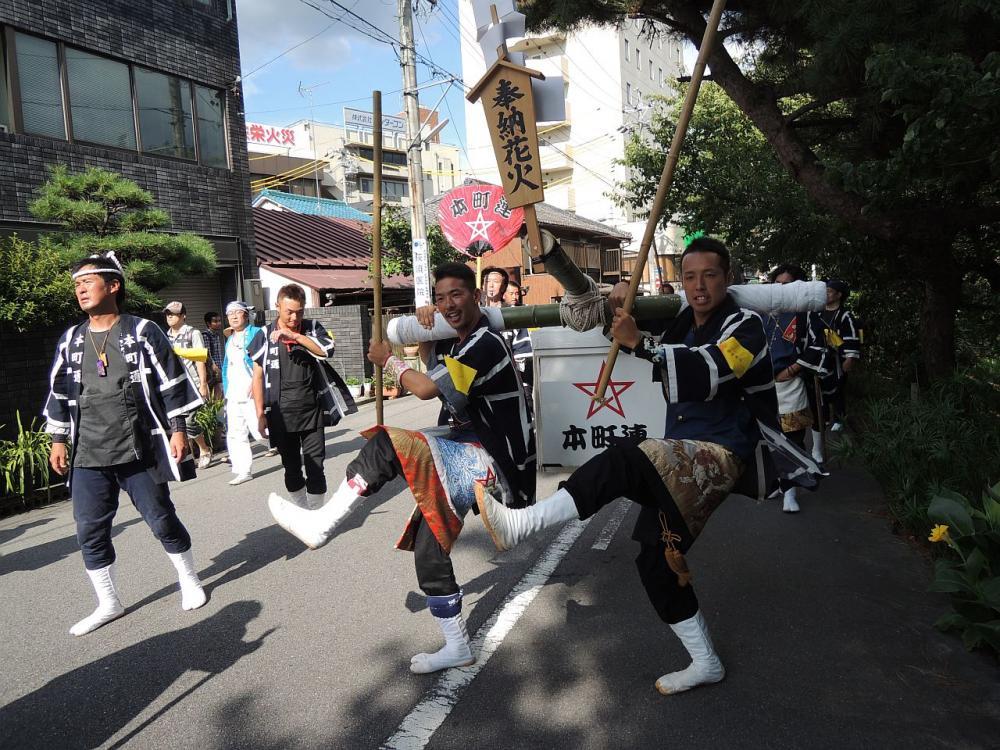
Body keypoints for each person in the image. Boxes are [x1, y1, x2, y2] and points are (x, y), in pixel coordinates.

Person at [474, 237, 822, 695]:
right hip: (682, 455)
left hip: (722, 456)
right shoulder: (679, 318)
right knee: (655, 561)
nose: (699, 286)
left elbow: (710, 369)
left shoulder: (747, 327)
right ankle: (706, 662)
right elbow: (614, 318)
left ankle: (526, 524)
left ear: (729, 278)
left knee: (626, 460)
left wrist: (644, 346)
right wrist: (620, 291)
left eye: (710, 275)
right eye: (690, 276)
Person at [267, 263, 535, 674]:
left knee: (389, 444)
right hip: (471, 452)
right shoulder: (464, 341)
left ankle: (323, 524)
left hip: (494, 462)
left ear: (478, 297)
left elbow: (428, 390)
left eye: (458, 295)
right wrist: (428, 339)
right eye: (441, 299)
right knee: (429, 542)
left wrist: (389, 361)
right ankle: (456, 645)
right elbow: (440, 376)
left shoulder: (484, 343)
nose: (448, 305)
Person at [43, 253, 207, 636]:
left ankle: (189, 578)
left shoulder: (142, 330)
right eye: (77, 284)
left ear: (113, 286)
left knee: (161, 517)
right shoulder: (71, 339)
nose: (80, 289)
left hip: (138, 446)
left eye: (88, 281)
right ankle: (108, 602)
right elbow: (59, 390)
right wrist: (57, 438)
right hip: (88, 451)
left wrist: (178, 427)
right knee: (89, 530)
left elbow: (170, 379)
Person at [251, 284, 355, 509]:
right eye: (289, 311)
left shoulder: (311, 328)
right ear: (277, 306)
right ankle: (302, 508)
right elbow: (257, 377)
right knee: (290, 465)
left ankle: (316, 512)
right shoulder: (263, 335)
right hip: (280, 411)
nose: (294, 317)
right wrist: (259, 413)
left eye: (299, 311)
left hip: (312, 409)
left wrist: (295, 336)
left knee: (316, 463)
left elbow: (325, 351)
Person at [763, 264, 830, 512]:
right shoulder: (762, 312)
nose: (782, 290)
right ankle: (778, 483)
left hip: (791, 383)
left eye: (787, 285)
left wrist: (791, 370)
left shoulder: (807, 313)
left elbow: (817, 346)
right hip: (764, 385)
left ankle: (790, 492)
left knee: (791, 440)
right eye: (777, 285)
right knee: (768, 440)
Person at [164, 301, 214, 469]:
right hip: (175, 384)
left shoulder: (193, 333)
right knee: (179, 422)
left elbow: (200, 358)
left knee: (191, 421)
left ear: (183, 315)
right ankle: (190, 455)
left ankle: (204, 449)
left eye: (174, 313)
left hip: (193, 383)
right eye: (168, 314)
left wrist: (203, 383)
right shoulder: (166, 335)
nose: (170, 316)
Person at [222, 301, 264, 485]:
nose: (233, 316)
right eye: (230, 313)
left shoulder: (257, 333)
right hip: (234, 393)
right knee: (235, 433)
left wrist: (257, 385)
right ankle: (242, 470)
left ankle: (290, 449)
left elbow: (264, 361)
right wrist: (225, 389)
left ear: (246, 315)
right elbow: (226, 367)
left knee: (260, 431)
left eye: (237, 312)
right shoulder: (230, 339)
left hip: (251, 390)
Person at [813, 279, 862, 435]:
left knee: (838, 390)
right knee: (821, 389)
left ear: (839, 295)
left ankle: (840, 419)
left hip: (837, 360)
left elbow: (852, 337)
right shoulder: (818, 313)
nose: (826, 294)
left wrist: (850, 358)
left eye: (829, 291)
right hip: (819, 359)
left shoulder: (845, 315)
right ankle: (825, 417)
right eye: (825, 291)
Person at [502, 279, 534, 399]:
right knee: (525, 392)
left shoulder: (526, 309)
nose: (515, 296)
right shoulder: (503, 314)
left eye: (517, 293)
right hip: (519, 358)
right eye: (511, 293)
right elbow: (507, 342)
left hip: (533, 355)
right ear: (503, 295)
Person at [202, 311, 225, 400]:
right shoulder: (206, 336)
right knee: (215, 393)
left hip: (218, 368)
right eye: (215, 321)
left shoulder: (217, 335)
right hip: (212, 370)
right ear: (208, 323)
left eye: (219, 321)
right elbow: (207, 354)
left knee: (219, 392)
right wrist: (215, 368)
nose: (218, 323)